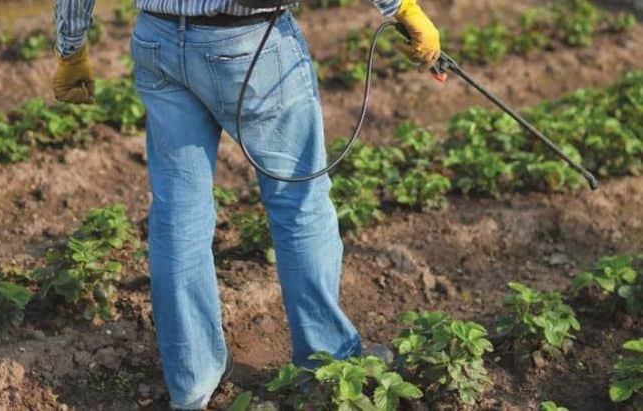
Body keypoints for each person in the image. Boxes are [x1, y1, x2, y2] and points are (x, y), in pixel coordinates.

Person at [53, 0, 440, 409]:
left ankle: (191, 383)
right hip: (249, 41)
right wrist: (401, 8)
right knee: (299, 203)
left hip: (158, 40)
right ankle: (327, 365)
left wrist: (71, 47)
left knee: (177, 213)